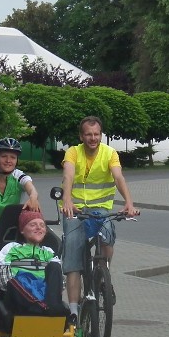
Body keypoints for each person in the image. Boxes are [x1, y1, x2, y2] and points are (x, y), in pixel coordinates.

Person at [60, 116, 139, 322]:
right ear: (81, 136)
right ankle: (74, 311)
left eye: (96, 134)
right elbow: (68, 176)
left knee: (108, 234)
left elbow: (118, 177)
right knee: (74, 257)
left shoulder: (110, 153)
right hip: (75, 210)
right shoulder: (73, 152)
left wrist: (129, 203)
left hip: (101, 209)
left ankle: (104, 274)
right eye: (88, 134)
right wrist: (67, 200)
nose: (93, 138)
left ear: (101, 135)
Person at [0, 137, 40, 323]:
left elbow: (32, 190)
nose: (8, 160)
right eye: (4, 156)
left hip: (16, 230)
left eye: (12, 157)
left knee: (22, 266)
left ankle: (20, 305)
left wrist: (33, 197)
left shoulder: (19, 175)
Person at [0, 210, 65, 317]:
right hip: (19, 297)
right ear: (22, 230)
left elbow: (60, 283)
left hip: (45, 296)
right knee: (17, 280)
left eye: (42, 225)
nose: (38, 227)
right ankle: (39, 306)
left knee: (55, 267)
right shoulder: (12, 248)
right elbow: (3, 280)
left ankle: (50, 306)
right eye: (33, 225)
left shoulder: (48, 252)